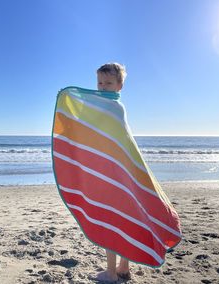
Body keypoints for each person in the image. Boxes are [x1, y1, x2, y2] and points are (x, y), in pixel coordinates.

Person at [96, 62, 130, 283]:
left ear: (119, 86)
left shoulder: (111, 108)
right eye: (99, 82)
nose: (102, 87)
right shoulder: (115, 107)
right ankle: (124, 268)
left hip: (112, 175)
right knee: (124, 219)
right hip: (122, 174)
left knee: (110, 221)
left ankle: (111, 272)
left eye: (108, 83)